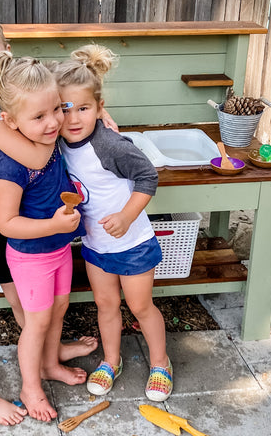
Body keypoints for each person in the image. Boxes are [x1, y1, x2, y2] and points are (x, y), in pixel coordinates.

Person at [0, 13, 97, 426]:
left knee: (24, 302)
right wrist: (57, 125)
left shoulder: (3, 94)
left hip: (5, 225)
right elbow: (37, 154)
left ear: (5, 51)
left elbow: (50, 93)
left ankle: (46, 355)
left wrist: (99, 115)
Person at [53, 44, 173, 402]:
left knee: (139, 306)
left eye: (85, 109)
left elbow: (147, 177)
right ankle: (110, 360)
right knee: (106, 306)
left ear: (100, 108)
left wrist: (126, 215)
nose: (74, 119)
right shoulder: (58, 143)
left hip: (133, 244)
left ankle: (161, 361)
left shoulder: (109, 144)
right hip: (95, 247)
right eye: (65, 109)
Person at [0, 52, 88, 422]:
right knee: (36, 323)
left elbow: (81, 98)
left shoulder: (49, 137)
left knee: (59, 310)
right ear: (10, 121)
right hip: (31, 256)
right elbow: (7, 223)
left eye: (56, 110)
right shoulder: (11, 163)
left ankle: (49, 365)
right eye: (40, 116)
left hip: (58, 248)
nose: (53, 123)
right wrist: (53, 227)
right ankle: (30, 386)